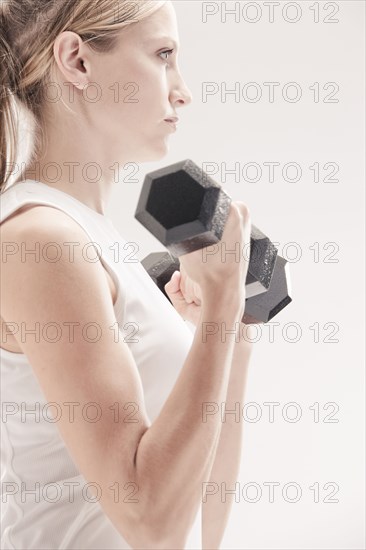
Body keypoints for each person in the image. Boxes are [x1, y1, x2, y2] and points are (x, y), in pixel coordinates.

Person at [0, 1, 254, 548]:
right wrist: (220, 316)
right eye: (163, 55)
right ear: (78, 61)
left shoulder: (97, 242)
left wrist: (228, 336)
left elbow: (200, 525)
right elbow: (149, 521)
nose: (182, 90)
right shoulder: (41, 242)